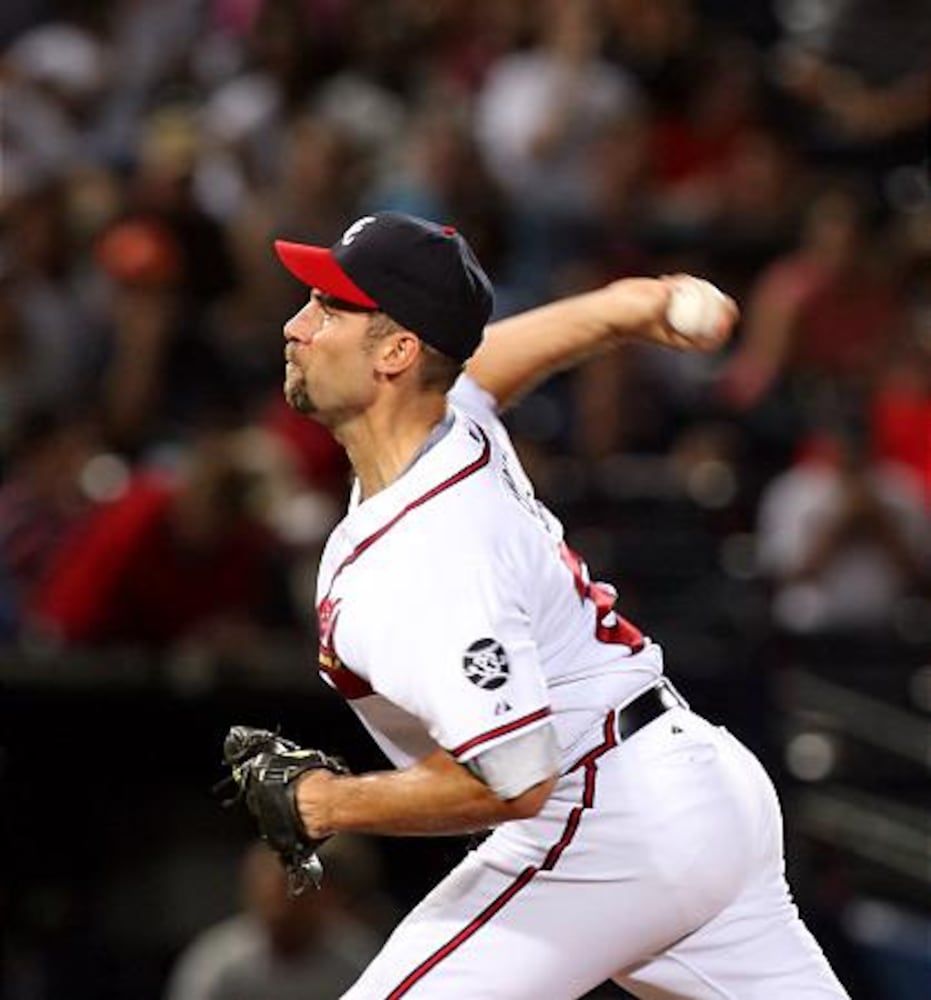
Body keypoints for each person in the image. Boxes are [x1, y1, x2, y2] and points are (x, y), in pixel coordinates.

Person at [272, 211, 850, 998]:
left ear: (398, 353)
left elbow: (516, 781)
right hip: (692, 787)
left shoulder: (431, 555)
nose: (295, 326)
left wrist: (325, 802)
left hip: (602, 820)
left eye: (328, 309)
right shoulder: (445, 423)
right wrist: (627, 308)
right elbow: (485, 367)